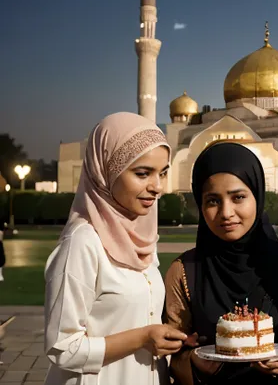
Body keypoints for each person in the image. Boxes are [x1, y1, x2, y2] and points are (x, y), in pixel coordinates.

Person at [43, 112, 189, 385]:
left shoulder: (140, 239)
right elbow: (62, 348)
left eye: (163, 173)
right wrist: (143, 338)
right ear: (106, 170)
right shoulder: (83, 243)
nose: (157, 187)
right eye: (142, 173)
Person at [164, 142, 278, 385]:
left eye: (238, 197)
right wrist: (192, 361)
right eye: (212, 201)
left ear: (257, 196)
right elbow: (170, 352)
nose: (226, 212)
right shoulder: (185, 271)